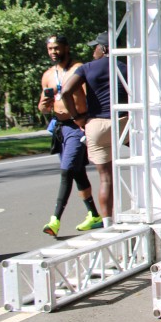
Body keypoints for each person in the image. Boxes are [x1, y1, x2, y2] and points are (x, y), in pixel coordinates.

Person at [61, 32, 128, 228]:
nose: (93, 52)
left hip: (97, 125)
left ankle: (108, 223)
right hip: (124, 123)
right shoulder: (127, 67)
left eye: (96, 47)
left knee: (105, 178)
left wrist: (76, 117)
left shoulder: (86, 68)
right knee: (145, 163)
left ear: (104, 48)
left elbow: (65, 92)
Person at [38, 35, 102, 236]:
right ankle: (94, 215)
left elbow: (91, 97)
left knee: (66, 170)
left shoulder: (79, 69)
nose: (53, 52)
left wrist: (88, 122)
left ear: (66, 48)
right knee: (77, 172)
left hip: (77, 126)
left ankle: (55, 220)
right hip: (60, 128)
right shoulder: (48, 75)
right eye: (50, 49)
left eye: (57, 48)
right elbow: (42, 107)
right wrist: (45, 105)